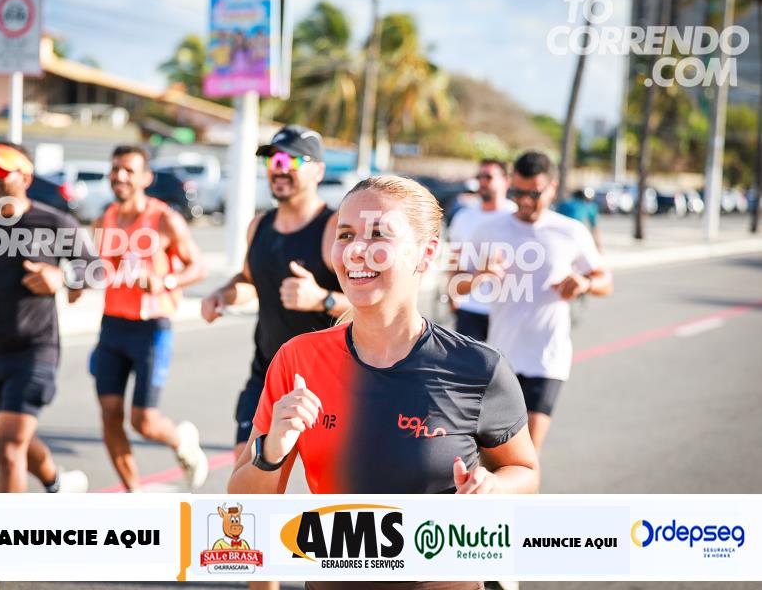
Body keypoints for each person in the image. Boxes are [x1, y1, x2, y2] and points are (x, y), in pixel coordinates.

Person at [229, 176, 539, 590]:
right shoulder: (297, 360)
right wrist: (270, 451)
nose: (356, 250)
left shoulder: (478, 367)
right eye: (345, 234)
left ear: (425, 253)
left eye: (378, 234)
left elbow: (525, 471)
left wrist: (494, 487)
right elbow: (243, 508)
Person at [201, 125, 350, 458]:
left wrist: (321, 299)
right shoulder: (259, 225)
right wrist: (223, 295)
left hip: (325, 382)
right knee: (247, 469)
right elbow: (250, 280)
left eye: (291, 160)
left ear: (318, 171)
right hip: (268, 374)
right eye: (272, 160)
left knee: (327, 484)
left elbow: (368, 306)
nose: (279, 168)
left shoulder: (334, 229)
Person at [0, 142, 89, 494]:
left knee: (9, 449)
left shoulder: (54, 222)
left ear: (25, 178)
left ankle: (8, 527)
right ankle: (57, 484)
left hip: (35, 350)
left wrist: (61, 277)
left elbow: (93, 268)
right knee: (11, 442)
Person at [455, 152, 613, 453]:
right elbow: (456, 284)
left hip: (547, 358)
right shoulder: (489, 229)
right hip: (502, 358)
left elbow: (606, 281)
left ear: (552, 188)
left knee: (529, 453)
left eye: (535, 193)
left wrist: (585, 284)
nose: (525, 201)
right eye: (518, 192)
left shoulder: (570, 231)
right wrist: (480, 275)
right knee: (495, 455)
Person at [90, 145, 208, 492]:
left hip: (151, 328)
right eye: (115, 169)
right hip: (112, 325)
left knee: (143, 421)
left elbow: (198, 266)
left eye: (129, 170)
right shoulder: (103, 219)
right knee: (109, 416)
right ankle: (134, 493)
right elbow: (99, 268)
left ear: (146, 178)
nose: (120, 176)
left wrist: (165, 281)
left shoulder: (163, 219)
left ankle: (182, 440)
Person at [446, 159, 516, 341]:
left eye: (489, 177)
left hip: (506, 310)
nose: (483, 182)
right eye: (480, 177)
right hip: (470, 308)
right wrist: (452, 294)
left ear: (506, 181)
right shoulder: (464, 217)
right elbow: (454, 259)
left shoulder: (515, 216)